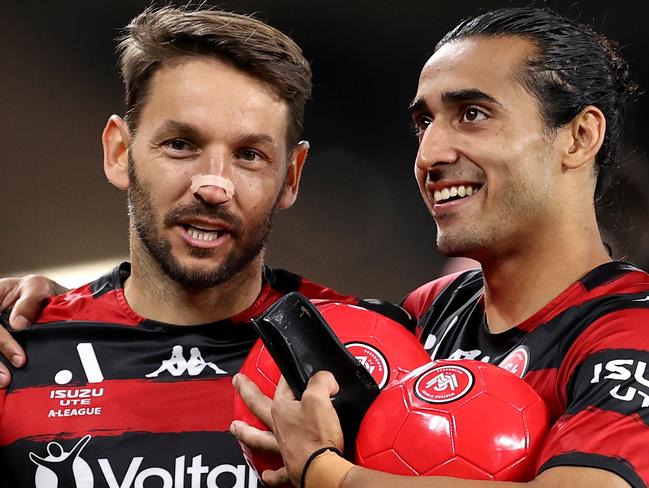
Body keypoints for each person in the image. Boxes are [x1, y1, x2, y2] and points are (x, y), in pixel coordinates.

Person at [231, 6, 649, 488]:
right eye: (423, 123)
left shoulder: (633, 328)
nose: (429, 154)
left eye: (472, 115)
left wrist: (325, 472)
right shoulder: (432, 309)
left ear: (579, 137)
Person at [0, 6, 407, 487]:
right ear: (118, 153)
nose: (214, 186)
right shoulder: (18, 352)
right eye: (180, 144)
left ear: (291, 177)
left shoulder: (373, 350)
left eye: (249, 155)